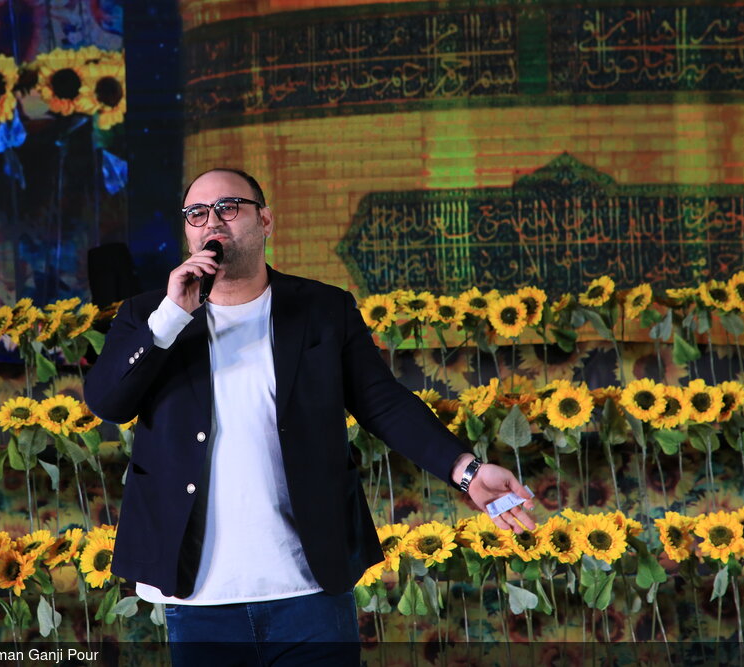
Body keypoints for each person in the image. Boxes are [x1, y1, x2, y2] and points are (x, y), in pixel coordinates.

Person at [83, 168, 536, 665]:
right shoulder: (149, 315)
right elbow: (108, 402)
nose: (212, 222)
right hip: (197, 596)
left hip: (308, 588)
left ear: (265, 221)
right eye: (197, 213)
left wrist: (467, 471)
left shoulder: (323, 309)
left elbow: (382, 401)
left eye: (228, 208)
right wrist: (172, 316)